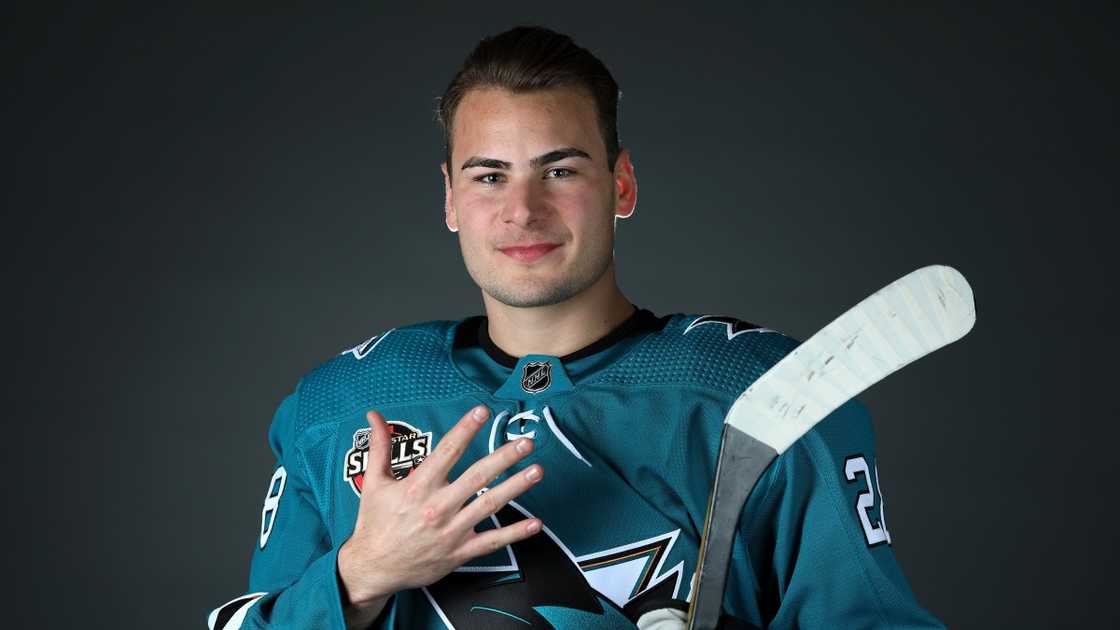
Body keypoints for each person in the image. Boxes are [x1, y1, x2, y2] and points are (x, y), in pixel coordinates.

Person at [208, 25, 943, 630]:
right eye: (489, 176)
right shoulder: (335, 410)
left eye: (559, 171)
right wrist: (361, 577)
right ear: (450, 199)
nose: (522, 210)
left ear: (621, 185)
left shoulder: (763, 395)